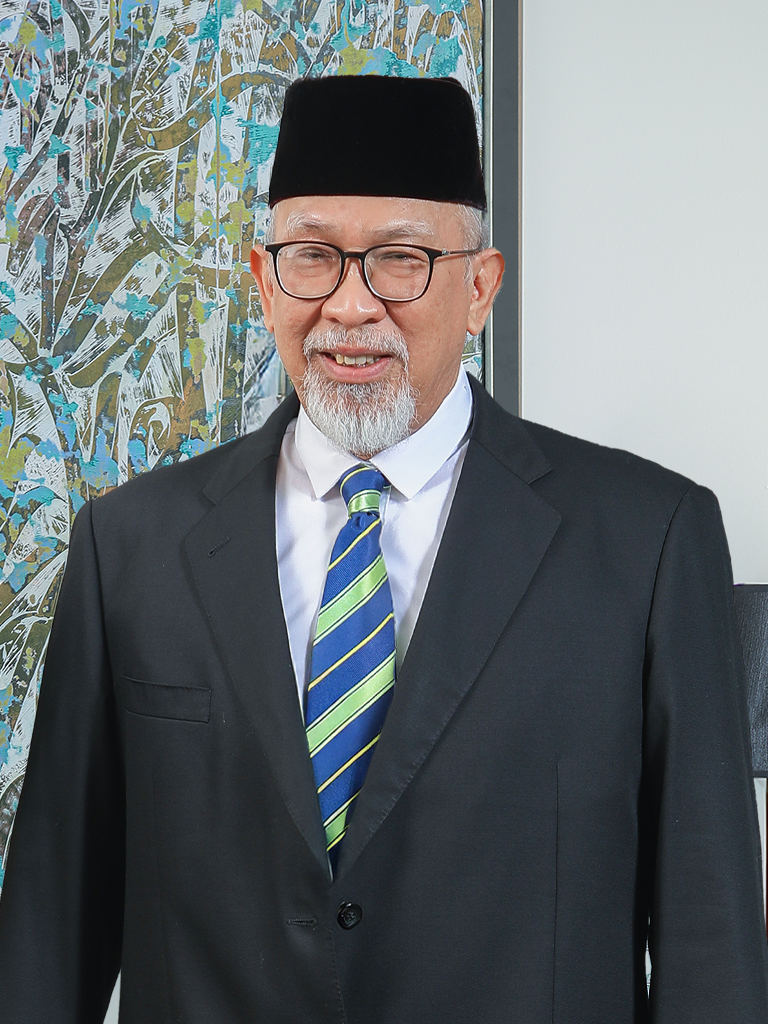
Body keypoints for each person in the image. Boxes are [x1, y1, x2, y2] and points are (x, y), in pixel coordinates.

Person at [0, 74, 766, 1024]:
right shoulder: (131, 548)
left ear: (479, 287)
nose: (351, 306)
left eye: (401, 260)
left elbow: (710, 949)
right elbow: (47, 941)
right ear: (262, 279)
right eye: (312, 257)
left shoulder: (648, 542)